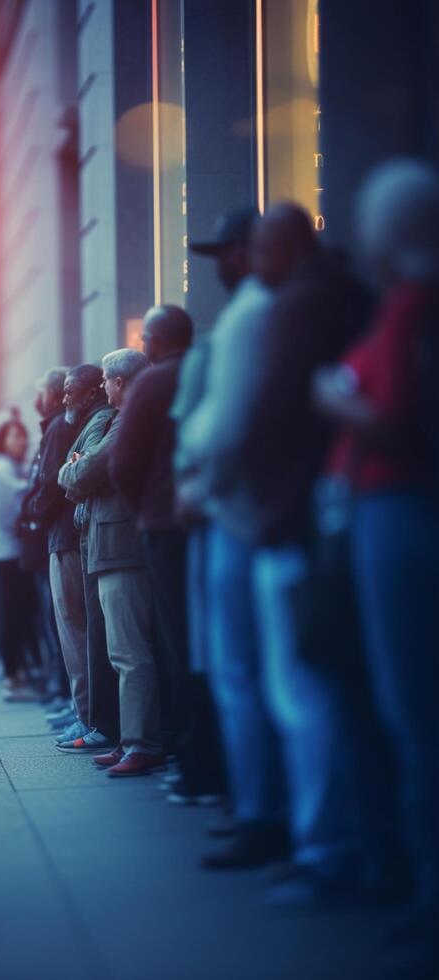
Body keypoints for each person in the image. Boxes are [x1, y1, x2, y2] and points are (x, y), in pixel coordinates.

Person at [211, 203, 374, 902]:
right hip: (326, 517)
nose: (247, 266)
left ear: (279, 249)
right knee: (325, 692)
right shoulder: (348, 297)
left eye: (256, 252)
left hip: (288, 522)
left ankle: (325, 851)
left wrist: (241, 496)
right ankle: (339, 846)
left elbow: (260, 419)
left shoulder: (291, 309)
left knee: (300, 692)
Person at [315, 159, 439, 931]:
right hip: (391, 515)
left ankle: (423, 897)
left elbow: (395, 419)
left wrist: (333, 396)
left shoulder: (410, 310)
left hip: (397, 517)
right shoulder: (409, 308)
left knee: (410, 709)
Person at [175, 212, 286, 852]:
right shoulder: (260, 311)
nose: (218, 263)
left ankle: (259, 813)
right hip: (240, 510)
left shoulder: (253, 314)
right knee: (245, 671)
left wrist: (194, 470)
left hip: (238, 510)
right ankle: (258, 807)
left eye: (226, 251)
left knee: (240, 670)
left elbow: (223, 427)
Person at [110, 304, 225, 804]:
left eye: (145, 340)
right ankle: (216, 764)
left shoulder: (152, 384)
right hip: (212, 520)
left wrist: (148, 507)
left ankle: (196, 768)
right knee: (209, 646)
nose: (143, 347)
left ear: (156, 342)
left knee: (179, 646)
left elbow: (123, 462)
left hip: (164, 525)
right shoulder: (210, 370)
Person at [60, 348, 165, 776]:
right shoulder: (120, 417)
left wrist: (77, 468)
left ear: (121, 382)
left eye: (106, 379)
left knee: (129, 651)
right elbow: (75, 472)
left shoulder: (125, 420)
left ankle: (141, 742)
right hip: (111, 543)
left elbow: (83, 474)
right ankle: (131, 739)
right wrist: (77, 469)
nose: (103, 387)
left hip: (122, 544)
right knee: (122, 650)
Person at [51, 365, 114, 749]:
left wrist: (73, 467)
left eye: (70, 390)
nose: (63, 398)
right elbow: (69, 473)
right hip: (85, 536)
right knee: (84, 628)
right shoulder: (85, 422)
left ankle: (97, 719)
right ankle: (92, 716)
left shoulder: (100, 420)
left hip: (92, 539)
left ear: (92, 392)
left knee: (90, 631)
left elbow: (73, 475)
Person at [18, 368, 72, 703]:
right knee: (53, 620)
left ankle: (66, 693)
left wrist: (33, 512)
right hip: (43, 541)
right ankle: (61, 690)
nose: (38, 400)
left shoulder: (56, 428)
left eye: (41, 393)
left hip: (52, 536)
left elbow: (50, 484)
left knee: (60, 622)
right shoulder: (50, 428)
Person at [0, 416, 41, 695]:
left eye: (24, 435)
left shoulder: (6, 467)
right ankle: (12, 676)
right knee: (13, 612)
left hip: (5, 548)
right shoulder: (2, 469)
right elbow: (9, 513)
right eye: (16, 436)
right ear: (3, 440)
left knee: (18, 611)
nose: (22, 441)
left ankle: (18, 672)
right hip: (7, 550)